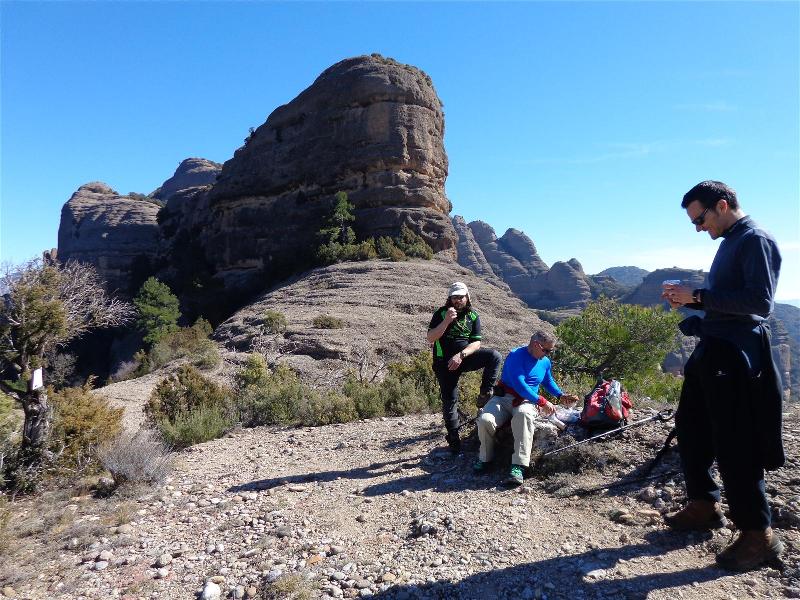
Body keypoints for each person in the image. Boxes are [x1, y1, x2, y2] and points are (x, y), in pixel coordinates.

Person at [661, 180, 784, 571]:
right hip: (713, 348)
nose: (699, 228)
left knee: (735, 441)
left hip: (734, 354)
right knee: (692, 427)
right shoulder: (731, 240)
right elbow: (728, 302)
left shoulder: (754, 240)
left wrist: (697, 297)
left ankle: (757, 535)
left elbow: (758, 303)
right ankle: (704, 505)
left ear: (724, 205)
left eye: (700, 219)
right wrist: (693, 302)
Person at [473, 330, 578, 486]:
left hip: (526, 401)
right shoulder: (515, 356)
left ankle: (518, 466)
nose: (548, 354)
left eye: (550, 351)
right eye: (546, 350)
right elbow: (519, 384)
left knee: (523, 415)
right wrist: (542, 401)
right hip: (504, 397)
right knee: (485, 420)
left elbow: (548, 381)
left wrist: (560, 395)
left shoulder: (544, 361)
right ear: (536, 344)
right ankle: (485, 459)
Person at [427, 282, 501, 454]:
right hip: (444, 364)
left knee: (494, 356)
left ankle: (485, 393)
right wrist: (446, 321)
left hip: (464, 358)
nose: (457, 300)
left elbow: (476, 342)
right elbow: (431, 338)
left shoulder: (473, 316)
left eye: (461, 297)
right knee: (450, 400)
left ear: (467, 297)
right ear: (449, 299)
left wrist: (461, 355)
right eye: (454, 297)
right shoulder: (441, 313)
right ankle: (453, 437)